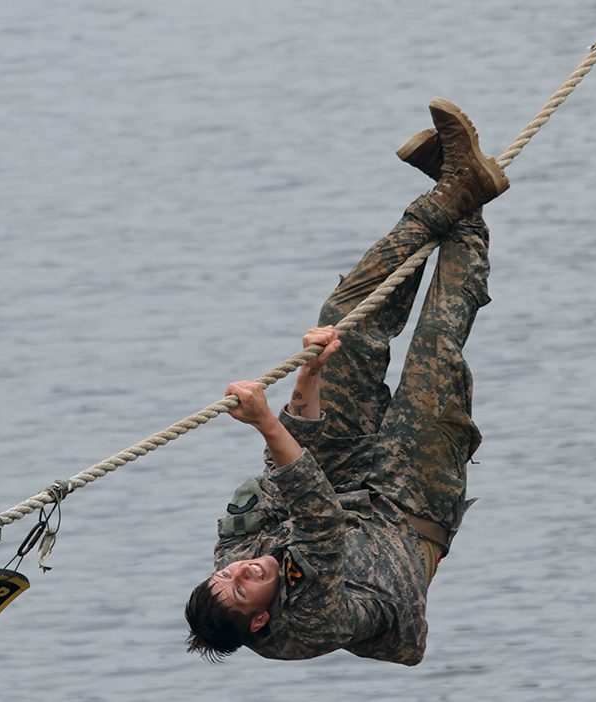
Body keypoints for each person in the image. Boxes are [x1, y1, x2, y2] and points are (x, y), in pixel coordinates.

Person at [183, 97, 510, 665]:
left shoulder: (232, 556)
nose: (241, 569)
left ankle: (453, 188)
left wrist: (311, 374)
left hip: (337, 473)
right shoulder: (305, 624)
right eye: (242, 587)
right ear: (260, 618)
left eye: (227, 575)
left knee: (343, 326)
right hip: (407, 513)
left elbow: (285, 479)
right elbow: (319, 524)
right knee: (434, 352)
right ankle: (462, 197)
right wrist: (263, 421)